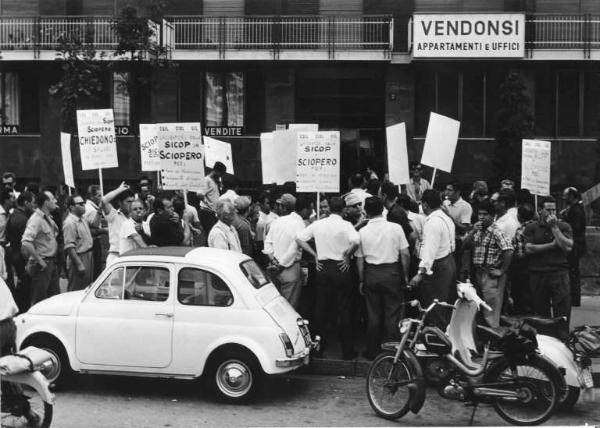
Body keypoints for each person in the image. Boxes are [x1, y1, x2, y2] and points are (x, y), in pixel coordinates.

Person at [295, 196, 360, 360]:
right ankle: (347, 351)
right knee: (344, 310)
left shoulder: (318, 224)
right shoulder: (346, 225)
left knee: (321, 309)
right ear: (344, 209)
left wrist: (315, 255)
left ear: (329, 208)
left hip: (323, 267)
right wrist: (347, 255)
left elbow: (299, 238)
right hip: (341, 268)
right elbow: (356, 241)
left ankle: (318, 348)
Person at [356, 197, 410, 359]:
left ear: (366, 211)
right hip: (392, 272)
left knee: (373, 314)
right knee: (392, 313)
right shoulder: (396, 228)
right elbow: (405, 253)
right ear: (382, 209)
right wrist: (405, 275)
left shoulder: (362, 231)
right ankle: (393, 351)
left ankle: (372, 350)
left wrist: (361, 280)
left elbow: (359, 259)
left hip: (371, 273)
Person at [409, 189, 456, 329]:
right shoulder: (446, 217)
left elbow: (430, 250)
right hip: (448, 262)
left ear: (424, 205)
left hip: (438, 266)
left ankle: (437, 340)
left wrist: (420, 273)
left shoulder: (433, 222)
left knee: (434, 306)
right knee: (444, 304)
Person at [463, 200, 513, 327]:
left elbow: (509, 250)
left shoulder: (496, 232)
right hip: (478, 273)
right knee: (477, 306)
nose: (481, 217)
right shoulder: (478, 231)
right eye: (480, 214)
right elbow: (465, 245)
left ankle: (493, 337)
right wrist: (473, 231)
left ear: (492, 216)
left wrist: (502, 270)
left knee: (491, 309)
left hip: (491, 274)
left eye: (485, 214)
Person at [524, 196, 573, 323]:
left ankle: (563, 339)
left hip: (559, 272)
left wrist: (554, 227)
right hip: (538, 273)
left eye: (554, 210)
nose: (552, 213)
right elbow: (528, 249)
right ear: (540, 210)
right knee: (541, 313)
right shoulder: (531, 227)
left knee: (562, 311)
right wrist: (551, 246)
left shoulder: (563, 226)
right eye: (548, 210)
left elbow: (567, 247)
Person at [263, 194, 312, 311]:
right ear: (305, 210)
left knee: (275, 307)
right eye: (311, 208)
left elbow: (267, 243)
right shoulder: (300, 224)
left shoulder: (277, 221)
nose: (312, 211)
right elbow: (295, 247)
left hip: (274, 268)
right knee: (289, 308)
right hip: (289, 269)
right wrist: (281, 264)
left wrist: (273, 260)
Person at [21, 190, 60, 306]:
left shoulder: (47, 218)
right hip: (42, 265)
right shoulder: (36, 219)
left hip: (51, 262)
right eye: (52, 199)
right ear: (46, 202)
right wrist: (40, 261)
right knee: (39, 301)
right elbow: (26, 242)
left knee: (54, 299)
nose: (55, 201)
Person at [5, 192, 33, 311]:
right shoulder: (22, 219)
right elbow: (24, 244)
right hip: (20, 257)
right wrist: (27, 261)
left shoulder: (13, 215)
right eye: (32, 202)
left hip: (13, 254)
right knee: (24, 288)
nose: (34, 205)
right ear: (26, 203)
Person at [560, 187, 586, 307]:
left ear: (571, 196)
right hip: (576, 243)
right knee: (573, 270)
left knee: (573, 270)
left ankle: (574, 299)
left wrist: (564, 220)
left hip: (575, 244)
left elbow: (575, 228)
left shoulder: (576, 211)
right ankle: (574, 298)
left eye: (565, 195)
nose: (563, 198)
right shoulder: (574, 209)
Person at [62, 195, 94, 292]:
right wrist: (79, 264)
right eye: (80, 204)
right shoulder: (70, 223)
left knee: (87, 287)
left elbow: (95, 225)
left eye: (83, 203)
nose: (83, 205)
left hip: (88, 255)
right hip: (79, 257)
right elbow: (69, 246)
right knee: (76, 289)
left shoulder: (83, 219)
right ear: (72, 207)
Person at [510, 202, 535, 314]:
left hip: (523, 268)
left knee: (522, 297)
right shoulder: (539, 227)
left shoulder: (521, 230)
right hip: (538, 268)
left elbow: (520, 253)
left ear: (519, 216)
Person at [102, 182, 134, 266]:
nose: (131, 204)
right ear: (120, 203)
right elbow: (104, 201)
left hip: (131, 258)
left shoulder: (136, 217)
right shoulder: (114, 215)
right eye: (128, 202)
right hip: (116, 257)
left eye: (133, 201)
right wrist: (119, 190)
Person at [83, 185, 106, 279]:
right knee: (96, 269)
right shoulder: (91, 210)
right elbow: (94, 227)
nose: (101, 198)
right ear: (91, 197)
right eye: (98, 195)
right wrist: (104, 230)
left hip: (93, 241)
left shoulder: (91, 207)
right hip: (93, 242)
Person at [255, 192, 279, 265]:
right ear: (261, 204)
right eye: (267, 203)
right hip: (268, 254)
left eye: (270, 203)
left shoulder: (274, 216)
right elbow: (260, 242)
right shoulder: (259, 220)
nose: (270, 205)